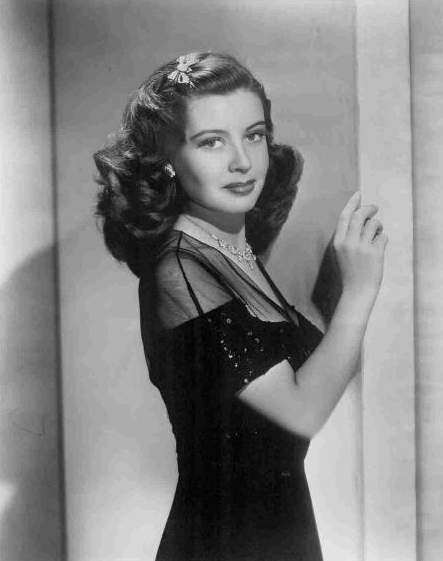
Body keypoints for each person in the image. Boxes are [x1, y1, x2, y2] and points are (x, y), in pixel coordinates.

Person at [93, 51, 387, 561]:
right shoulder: (179, 269)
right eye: (211, 141)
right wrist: (359, 292)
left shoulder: (233, 250)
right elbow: (299, 413)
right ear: (167, 158)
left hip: (282, 531)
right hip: (223, 542)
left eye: (253, 135)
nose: (242, 162)